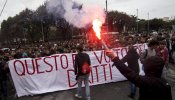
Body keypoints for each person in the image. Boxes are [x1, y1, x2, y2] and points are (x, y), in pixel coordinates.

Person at [106, 50, 172, 100]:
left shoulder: (146, 82)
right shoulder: (166, 84)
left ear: (148, 68)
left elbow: (127, 72)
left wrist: (114, 57)